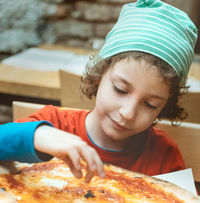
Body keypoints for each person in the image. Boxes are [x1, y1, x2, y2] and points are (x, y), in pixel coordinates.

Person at [0, 0, 198, 182]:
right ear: (99, 76)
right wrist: (39, 136)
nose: (128, 113)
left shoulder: (165, 156)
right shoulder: (54, 124)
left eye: (150, 104)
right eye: (120, 90)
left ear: (164, 107)